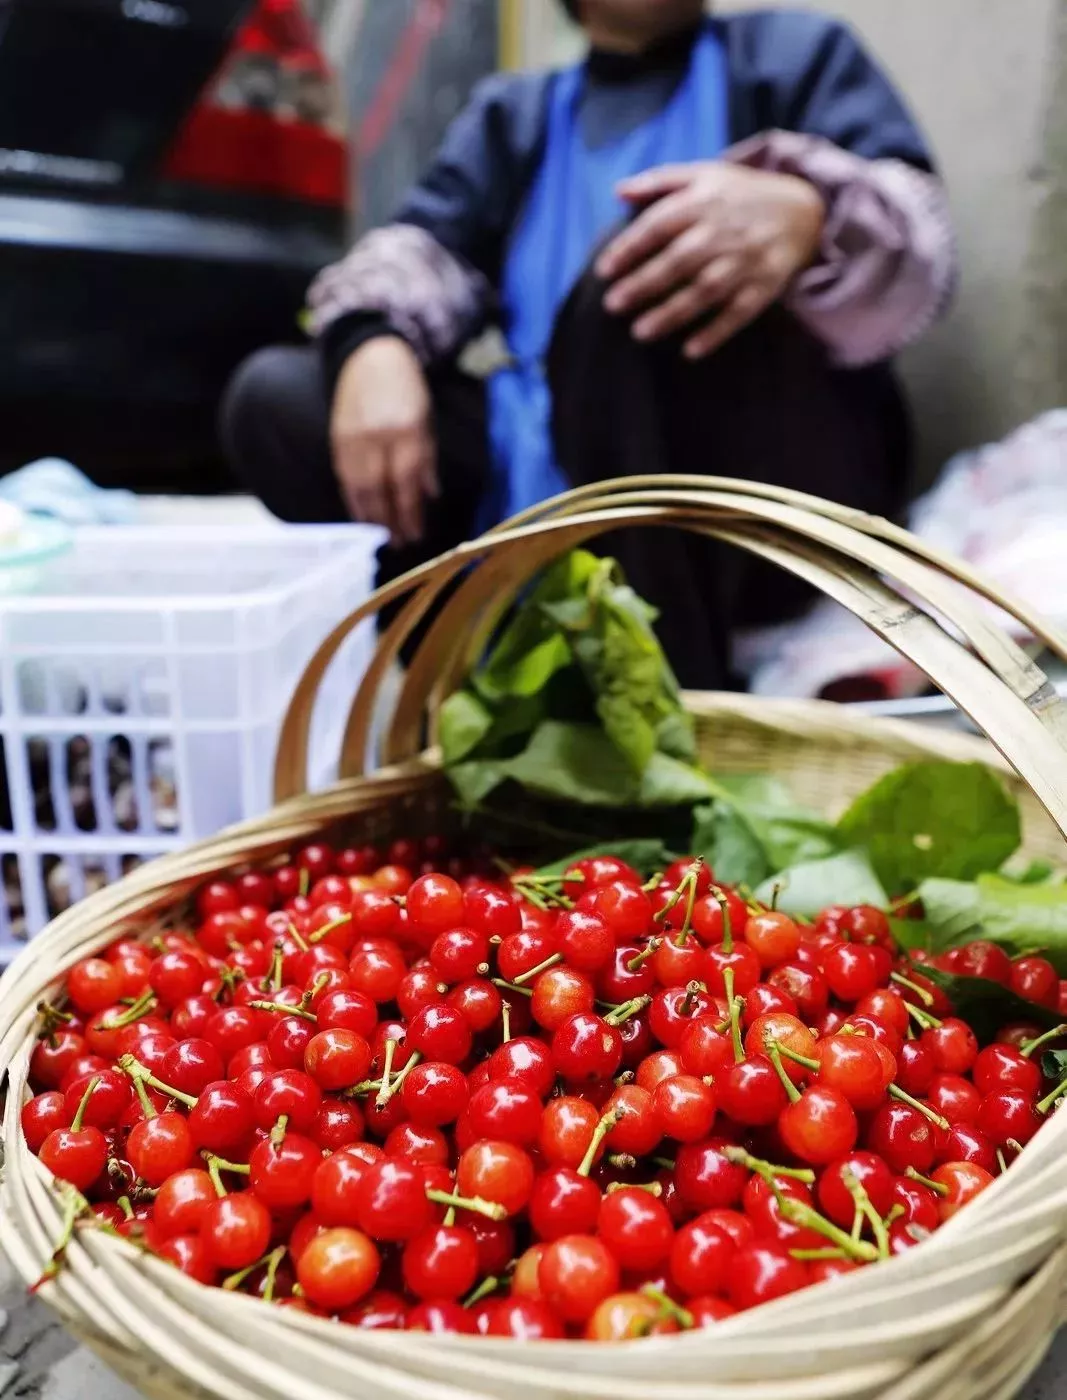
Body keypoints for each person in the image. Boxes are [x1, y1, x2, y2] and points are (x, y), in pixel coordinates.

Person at [222, 0, 956, 688]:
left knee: (643, 280)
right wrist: (369, 341)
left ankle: (679, 702)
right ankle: (462, 677)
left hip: (756, 496)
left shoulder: (791, 57)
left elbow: (921, 248)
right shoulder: (517, 117)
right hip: (542, 468)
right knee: (278, 400)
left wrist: (812, 215)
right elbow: (420, 253)